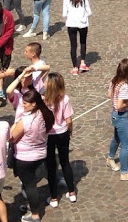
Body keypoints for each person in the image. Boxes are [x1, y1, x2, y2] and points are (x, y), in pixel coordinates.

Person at [10, 89, 55, 222]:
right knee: (31, 184)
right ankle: (31, 205)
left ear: (34, 104)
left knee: (29, 185)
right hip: (40, 154)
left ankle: (35, 214)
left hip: (25, 158)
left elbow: (12, 137)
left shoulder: (25, 120)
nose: (23, 105)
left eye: (25, 103)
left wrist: (14, 124)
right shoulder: (46, 115)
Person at [44, 72, 76, 206]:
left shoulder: (43, 99)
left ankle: (54, 198)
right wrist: (70, 131)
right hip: (62, 133)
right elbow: (68, 120)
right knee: (65, 162)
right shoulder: (65, 99)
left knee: (51, 166)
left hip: (48, 136)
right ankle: (72, 192)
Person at [106, 58, 128, 181]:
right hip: (121, 116)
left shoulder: (115, 81)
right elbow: (120, 105)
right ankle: (124, 172)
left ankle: (110, 159)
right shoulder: (125, 86)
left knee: (116, 138)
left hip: (115, 115)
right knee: (125, 144)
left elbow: (109, 95)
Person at [62, 0, 92, 75]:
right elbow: (89, 12)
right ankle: (82, 62)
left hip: (71, 24)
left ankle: (75, 67)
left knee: (73, 45)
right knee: (83, 43)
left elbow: (64, 13)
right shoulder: (84, 0)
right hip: (83, 24)